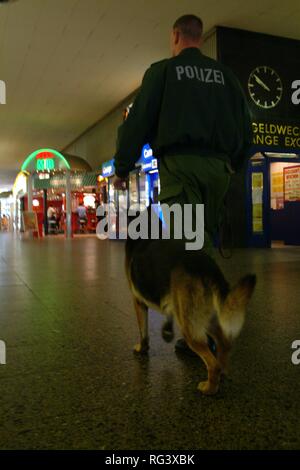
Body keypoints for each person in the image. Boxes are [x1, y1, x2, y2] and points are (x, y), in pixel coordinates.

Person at [112, 15, 253, 353]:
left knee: (188, 246)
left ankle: (199, 332)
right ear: (200, 38)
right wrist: (234, 164)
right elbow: (246, 127)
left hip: (180, 165)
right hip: (219, 168)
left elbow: (139, 122)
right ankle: (206, 319)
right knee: (200, 239)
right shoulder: (227, 77)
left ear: (176, 35)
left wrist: (121, 166)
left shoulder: (162, 71)